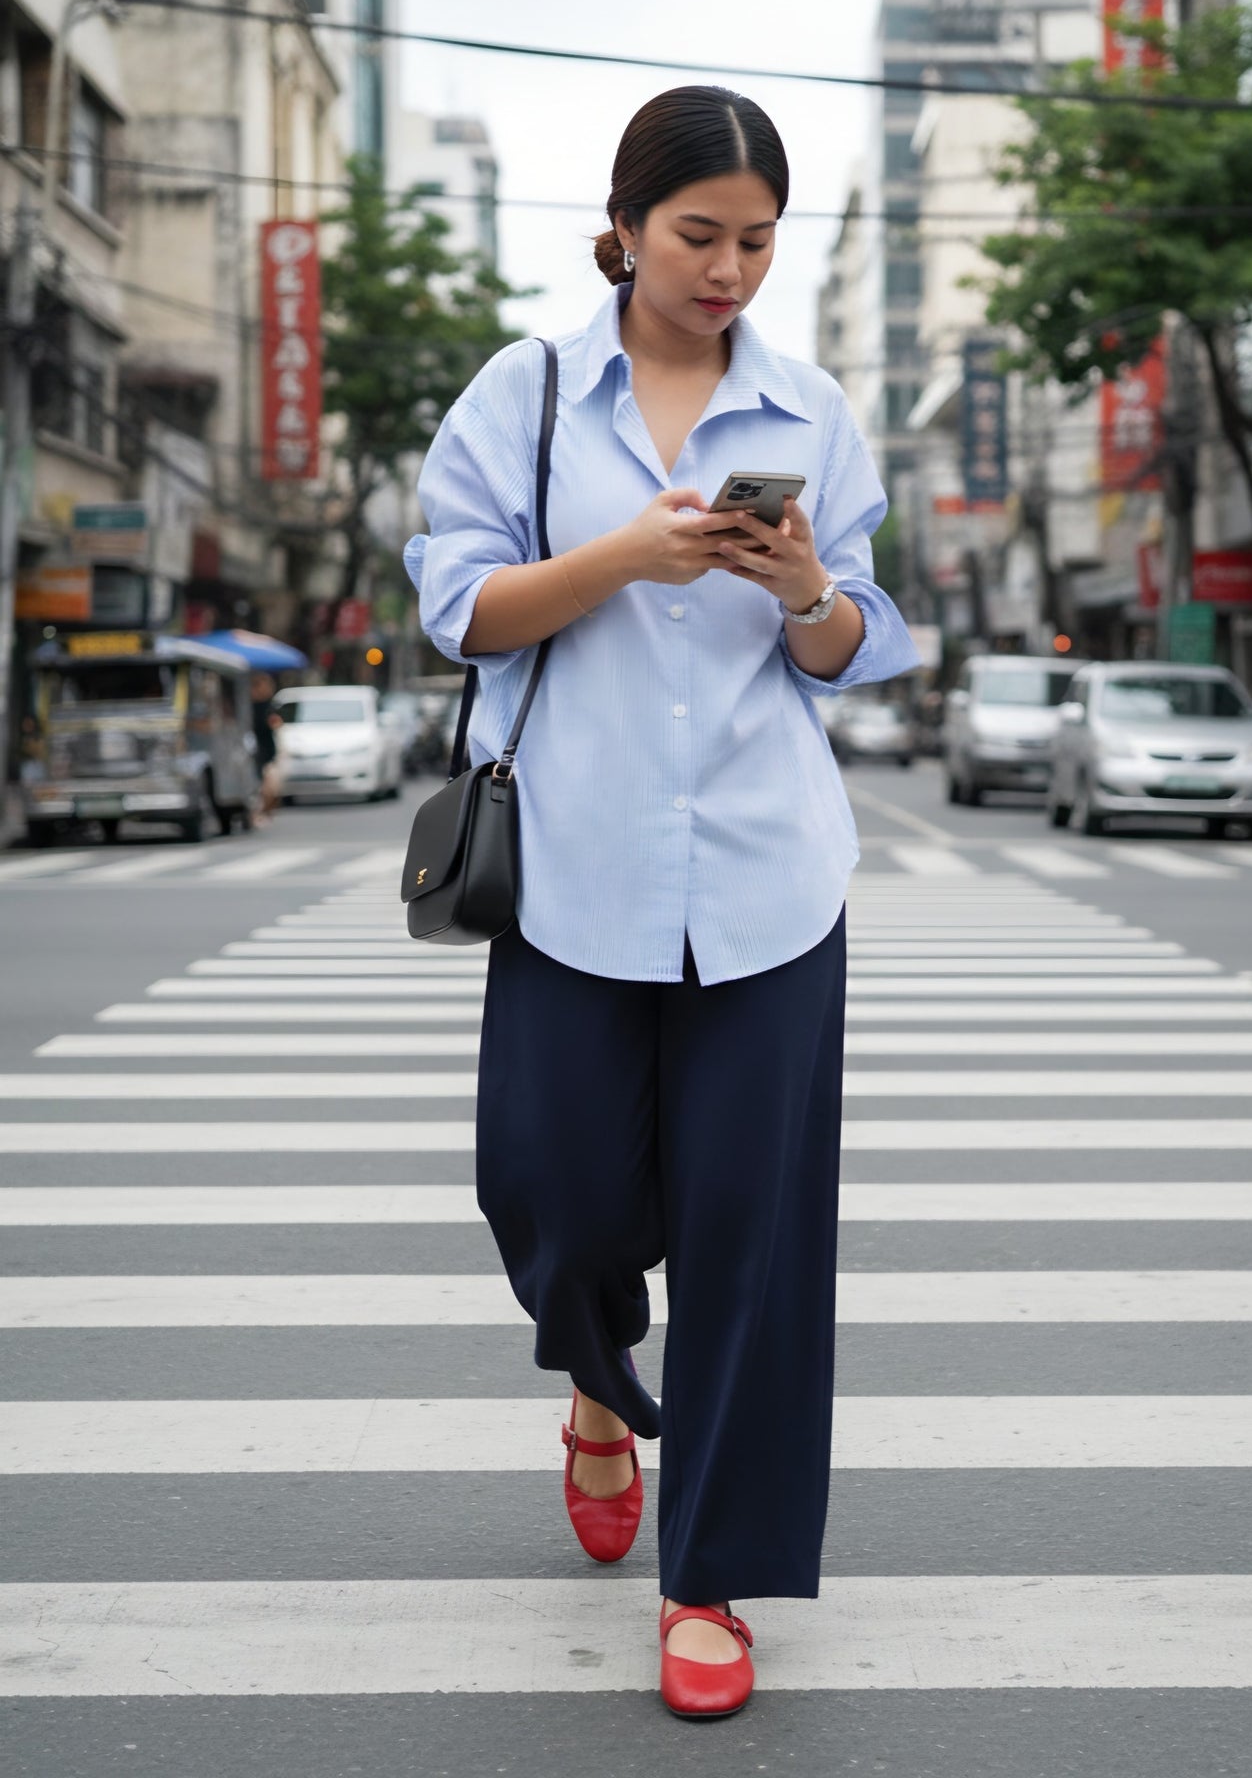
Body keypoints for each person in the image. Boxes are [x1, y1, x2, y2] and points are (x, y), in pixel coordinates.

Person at [405, 85, 917, 1719]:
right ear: (627, 224)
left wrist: (809, 594)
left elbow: (865, 643)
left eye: (760, 239)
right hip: (572, 859)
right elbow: (461, 609)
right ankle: (597, 1379)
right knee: (546, 1180)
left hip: (771, 873)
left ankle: (707, 1577)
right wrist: (630, 554)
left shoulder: (809, 405)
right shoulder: (533, 388)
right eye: (701, 235)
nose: (731, 269)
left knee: (753, 1236)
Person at [249, 674, 282, 822]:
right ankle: (259, 812)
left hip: (267, 750)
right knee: (263, 786)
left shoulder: (271, 706)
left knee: (271, 787)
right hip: (253, 751)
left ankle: (265, 812)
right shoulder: (247, 706)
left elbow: (277, 724)